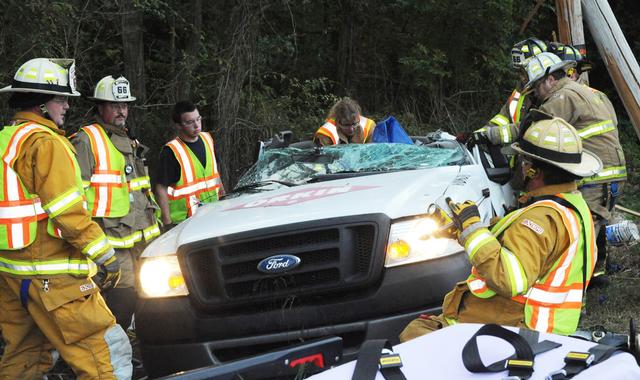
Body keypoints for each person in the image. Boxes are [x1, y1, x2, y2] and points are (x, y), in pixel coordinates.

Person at [399, 117, 601, 342]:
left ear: (533, 171)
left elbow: (509, 279)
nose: (520, 167)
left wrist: (474, 231)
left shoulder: (542, 218)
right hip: (540, 330)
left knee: (415, 335)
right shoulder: (572, 207)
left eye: (524, 161)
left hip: (509, 331)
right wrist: (464, 230)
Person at [0, 58, 131, 378]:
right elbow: (67, 211)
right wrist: (106, 256)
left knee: (25, 355)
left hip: (11, 276)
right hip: (54, 278)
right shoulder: (46, 142)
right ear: (40, 104)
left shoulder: (6, 138)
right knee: (105, 353)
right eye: (61, 99)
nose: (67, 106)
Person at [523, 52, 627, 280]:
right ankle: (596, 276)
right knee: (593, 227)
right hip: (612, 174)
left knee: (578, 236)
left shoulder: (563, 96)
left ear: (550, 80)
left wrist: (493, 134)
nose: (536, 94)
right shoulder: (593, 93)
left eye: (536, 88)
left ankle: (573, 300)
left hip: (595, 176)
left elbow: (536, 129)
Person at [71, 75, 160, 331]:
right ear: (100, 107)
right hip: (110, 239)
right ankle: (110, 352)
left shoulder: (130, 139)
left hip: (141, 237)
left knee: (147, 293)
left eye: (124, 105)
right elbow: (77, 194)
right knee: (122, 296)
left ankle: (130, 346)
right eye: (114, 105)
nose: (121, 111)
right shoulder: (87, 140)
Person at [154, 100, 224, 227]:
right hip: (185, 222)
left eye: (198, 119)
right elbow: (160, 189)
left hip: (213, 215)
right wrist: (167, 222)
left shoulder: (208, 139)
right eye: (190, 122)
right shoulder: (171, 151)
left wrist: (224, 197)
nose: (197, 125)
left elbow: (215, 173)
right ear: (179, 125)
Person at [475, 37, 548, 146]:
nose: (521, 77)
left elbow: (532, 127)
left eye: (524, 71)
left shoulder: (554, 92)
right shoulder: (521, 91)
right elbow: (503, 117)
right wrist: (478, 134)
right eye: (518, 72)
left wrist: (491, 135)